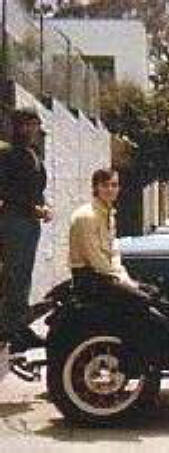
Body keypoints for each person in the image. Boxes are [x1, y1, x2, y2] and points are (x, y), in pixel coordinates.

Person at [69, 168, 169, 338]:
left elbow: (113, 252)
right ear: (96, 187)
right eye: (105, 185)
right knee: (143, 300)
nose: (110, 189)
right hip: (90, 279)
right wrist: (122, 281)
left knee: (153, 291)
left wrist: (124, 277)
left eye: (114, 185)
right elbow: (95, 258)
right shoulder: (86, 217)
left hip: (107, 276)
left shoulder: (108, 214)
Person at [0, 107, 53, 353]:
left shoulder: (33, 154)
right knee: (15, 276)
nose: (32, 129)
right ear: (17, 127)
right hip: (15, 221)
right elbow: (6, 191)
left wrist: (44, 206)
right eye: (27, 124)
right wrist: (32, 207)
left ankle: (19, 326)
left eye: (35, 124)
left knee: (24, 275)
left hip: (30, 222)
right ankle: (11, 330)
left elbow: (36, 189)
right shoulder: (8, 155)